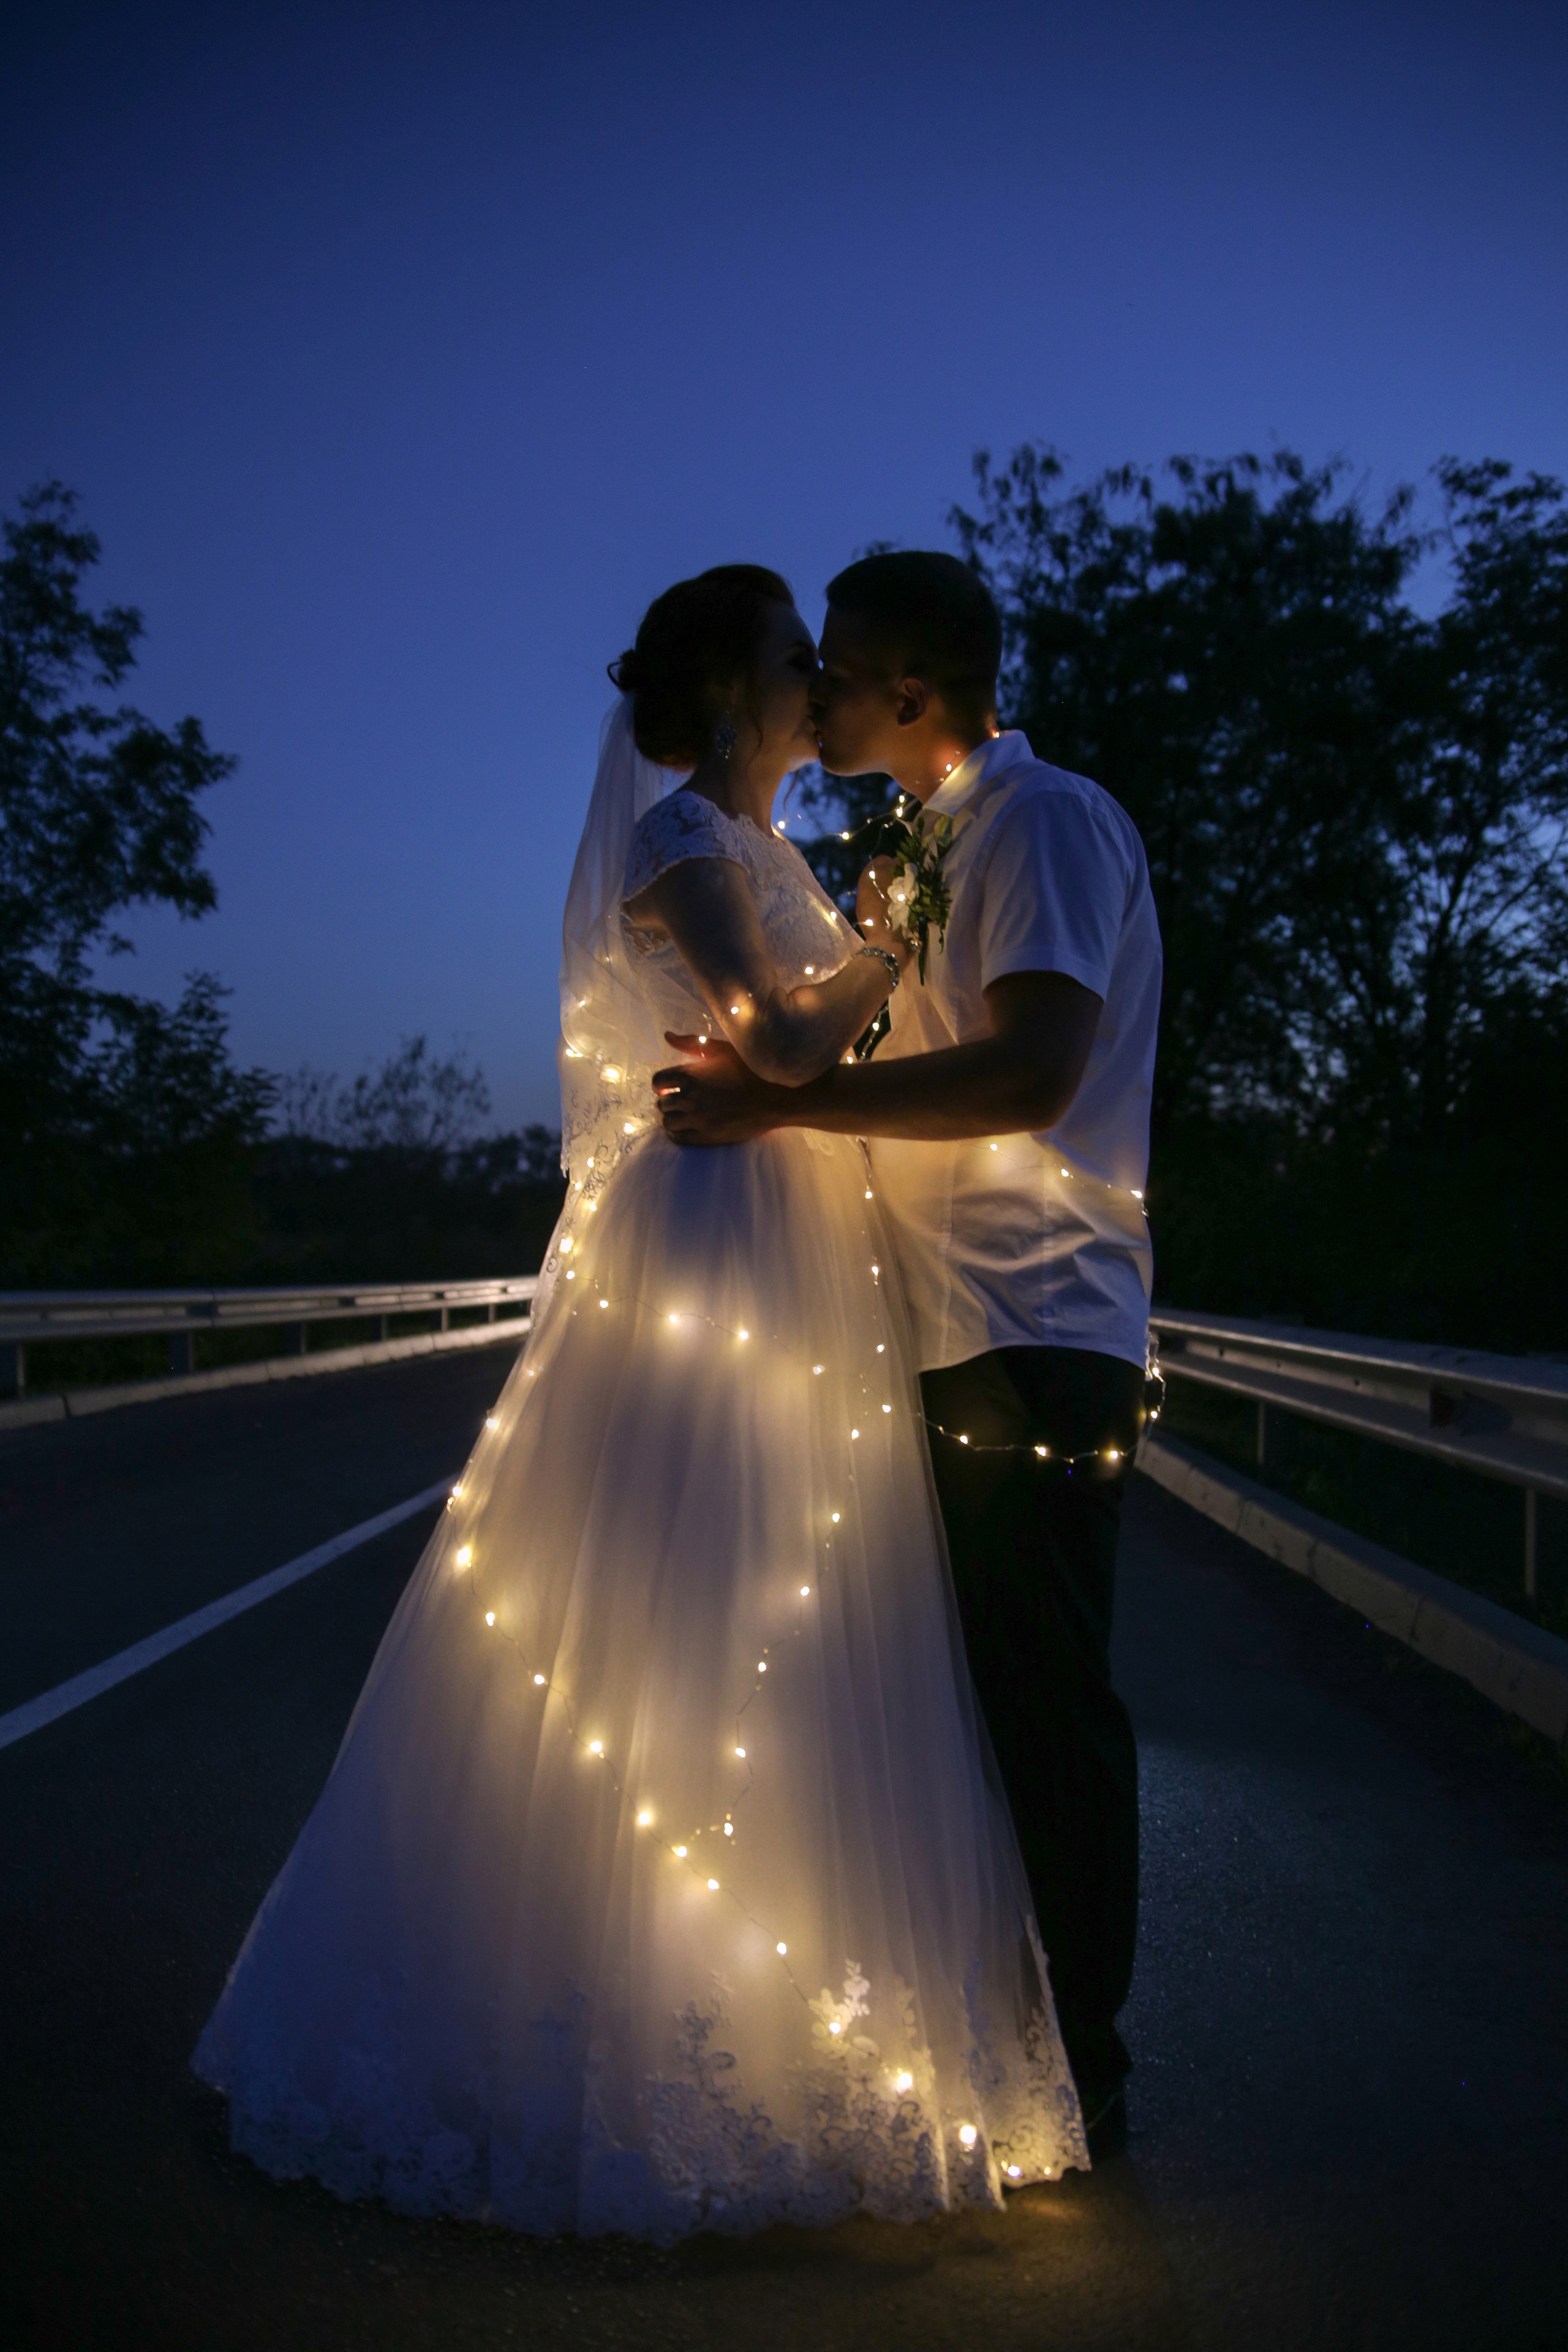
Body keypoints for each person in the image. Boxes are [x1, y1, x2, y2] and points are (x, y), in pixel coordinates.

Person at [192, 564, 1087, 2244]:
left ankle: (780, 2000)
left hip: (796, 1236)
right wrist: (882, 950)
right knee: (669, 1600)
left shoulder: (774, 852)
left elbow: (799, 1064)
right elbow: (778, 1046)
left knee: (792, 1619)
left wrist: (863, 954)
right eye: (793, 666)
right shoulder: (683, 841)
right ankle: (601, 2026)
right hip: (710, 1245)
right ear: (739, 694)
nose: (819, 688)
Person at [655, 551, 1162, 2158]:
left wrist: (787, 1100)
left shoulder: (1046, 821)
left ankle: (1083, 2079)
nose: (819, 692)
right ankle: (997, 2055)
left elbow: (1029, 1071)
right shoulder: (928, 847)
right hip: (943, 1329)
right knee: (967, 1714)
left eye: (841, 669)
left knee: (1045, 1712)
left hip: (1035, 1322)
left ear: (912, 695)